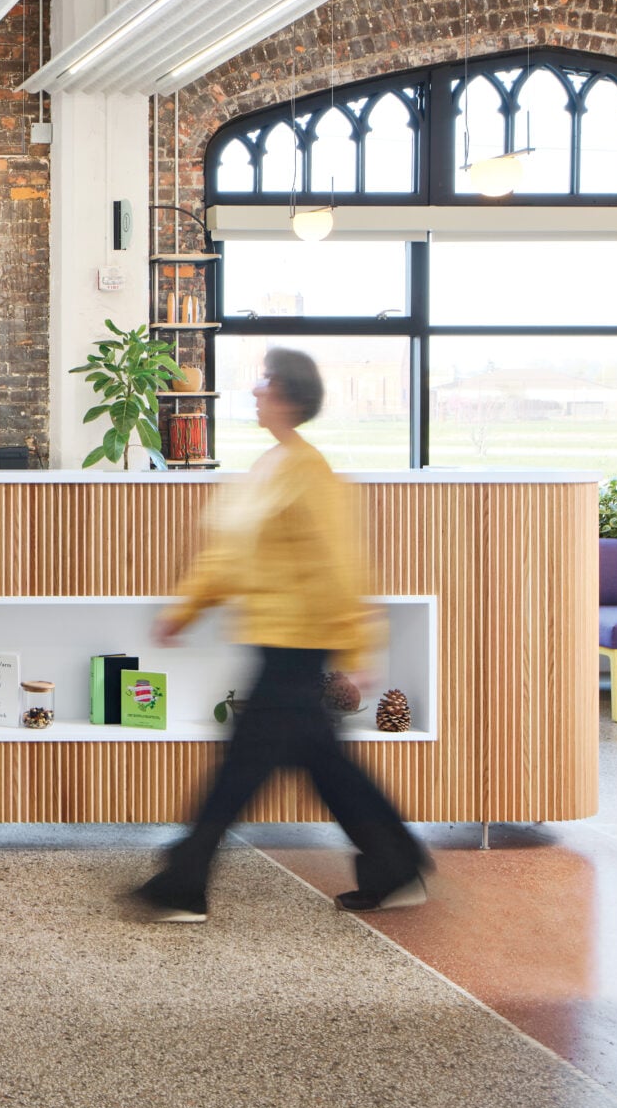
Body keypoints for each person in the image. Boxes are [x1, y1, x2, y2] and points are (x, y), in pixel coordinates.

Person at [129, 346, 426, 922]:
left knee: (240, 772)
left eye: (266, 381)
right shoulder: (272, 466)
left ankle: (184, 882)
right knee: (327, 769)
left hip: (297, 646)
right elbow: (231, 557)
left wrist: (360, 646)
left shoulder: (308, 472)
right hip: (275, 640)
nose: (256, 390)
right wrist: (185, 610)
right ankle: (395, 865)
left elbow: (340, 565)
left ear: (289, 395)